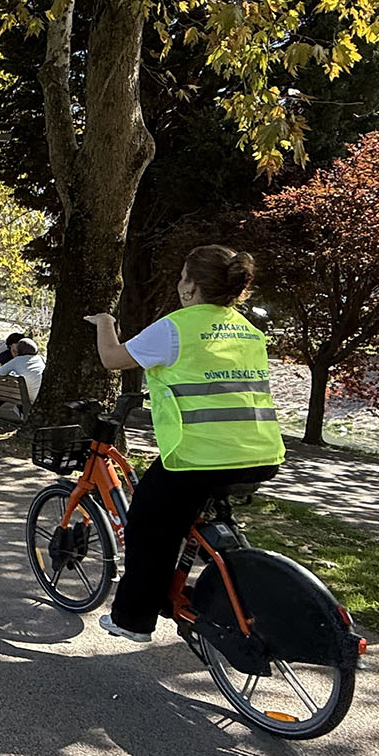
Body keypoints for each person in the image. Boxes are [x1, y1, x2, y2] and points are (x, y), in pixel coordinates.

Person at [83, 244, 284, 643]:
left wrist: (105, 321)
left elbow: (112, 359)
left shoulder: (175, 327)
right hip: (260, 454)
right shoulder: (248, 330)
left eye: (182, 276)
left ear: (191, 287)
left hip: (200, 457)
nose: (178, 283)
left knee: (148, 523)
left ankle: (133, 619)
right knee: (182, 516)